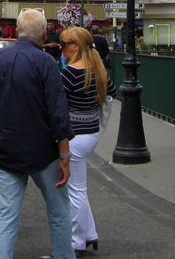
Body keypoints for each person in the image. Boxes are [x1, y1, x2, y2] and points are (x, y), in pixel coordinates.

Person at [0, 8, 74, 259]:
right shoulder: (46, 62)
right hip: (42, 149)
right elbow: (57, 111)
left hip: (7, 147)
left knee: (7, 213)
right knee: (59, 210)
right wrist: (65, 156)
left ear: (18, 30)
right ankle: (64, 255)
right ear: (43, 33)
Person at [60, 26, 117, 257]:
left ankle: (76, 243)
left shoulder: (69, 73)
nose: (62, 49)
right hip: (92, 132)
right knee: (79, 189)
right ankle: (89, 234)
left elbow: (57, 105)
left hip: (75, 136)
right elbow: (111, 93)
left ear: (75, 46)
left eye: (64, 44)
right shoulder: (98, 70)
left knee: (75, 191)